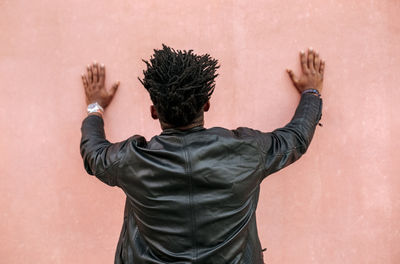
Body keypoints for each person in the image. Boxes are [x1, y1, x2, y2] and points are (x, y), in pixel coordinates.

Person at [80, 45, 324, 264]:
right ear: (206, 104)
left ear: (154, 112)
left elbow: (94, 153)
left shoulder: (129, 160)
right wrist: (311, 92)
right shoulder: (248, 151)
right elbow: (296, 138)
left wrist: (95, 107)